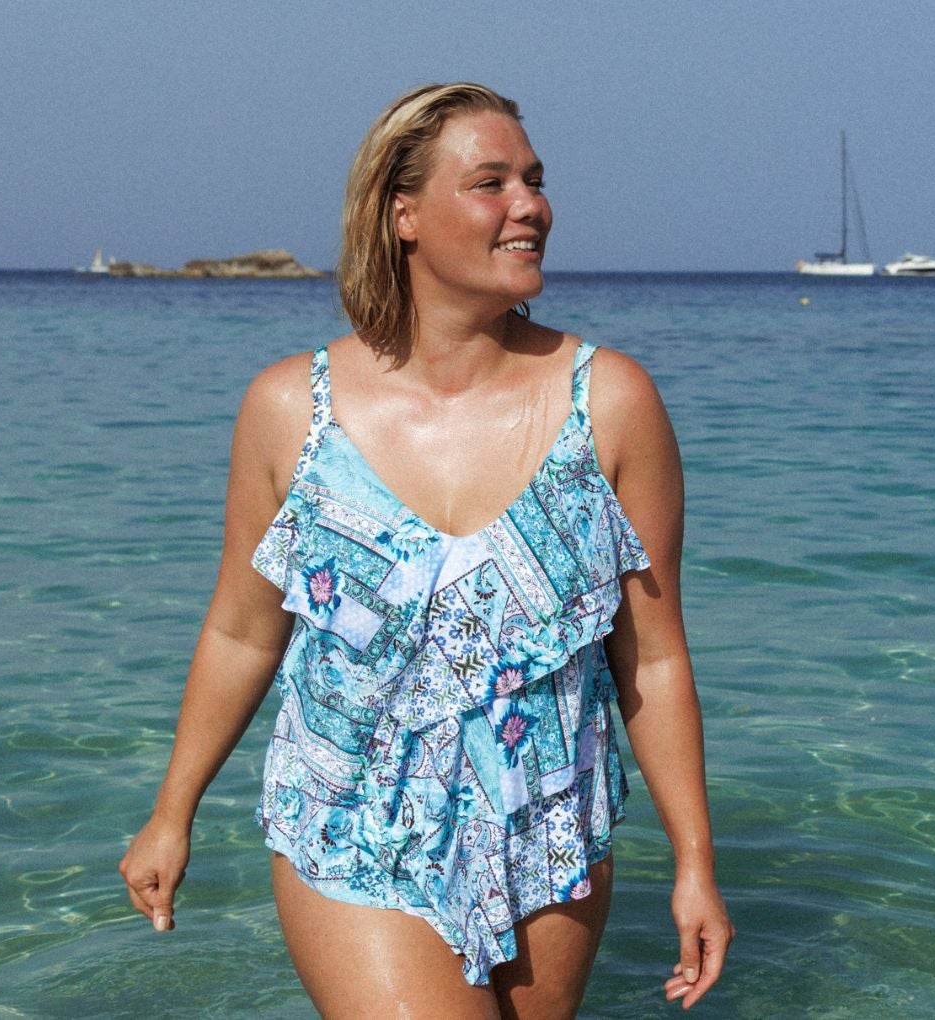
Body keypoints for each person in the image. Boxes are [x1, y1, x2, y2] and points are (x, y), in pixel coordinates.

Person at [118, 82, 731, 1018]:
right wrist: (173, 812)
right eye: (491, 183)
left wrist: (695, 864)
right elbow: (243, 633)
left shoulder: (612, 404)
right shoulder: (291, 411)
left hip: (549, 831)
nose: (530, 206)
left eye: (535, 181)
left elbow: (651, 655)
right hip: (351, 825)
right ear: (402, 213)